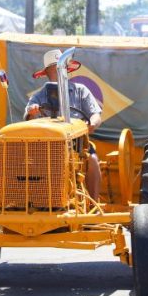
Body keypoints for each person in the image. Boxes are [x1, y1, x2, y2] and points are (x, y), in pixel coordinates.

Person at [25, 49, 103, 200]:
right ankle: (35, 200)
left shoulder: (81, 91)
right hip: (45, 146)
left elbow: (96, 114)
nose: (59, 72)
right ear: (47, 72)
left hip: (78, 144)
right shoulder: (38, 96)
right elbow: (28, 116)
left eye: (61, 68)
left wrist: (92, 123)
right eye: (54, 69)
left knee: (92, 160)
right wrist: (32, 112)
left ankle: (93, 203)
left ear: (67, 69)